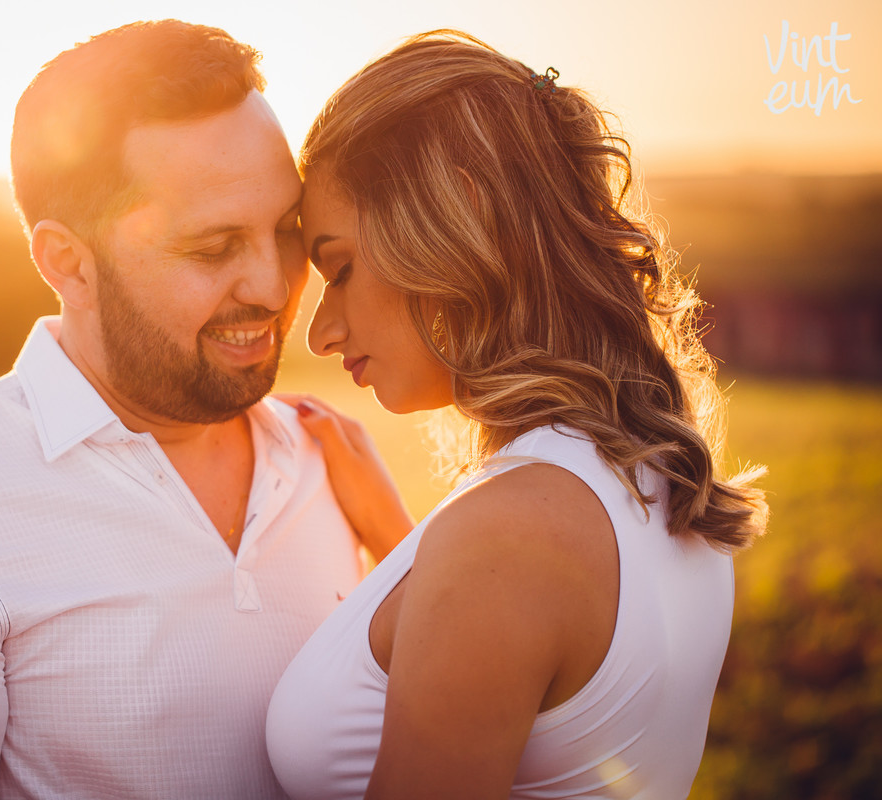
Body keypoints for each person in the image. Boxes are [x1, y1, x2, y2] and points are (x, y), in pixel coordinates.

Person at [0, 20, 400, 799]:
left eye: (285, 231)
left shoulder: (324, 461)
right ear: (68, 263)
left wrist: (406, 551)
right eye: (213, 248)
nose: (275, 287)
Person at [266, 30, 769, 799]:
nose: (321, 332)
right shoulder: (648, 468)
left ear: (458, 219)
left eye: (340, 269)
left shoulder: (509, 537)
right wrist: (394, 537)